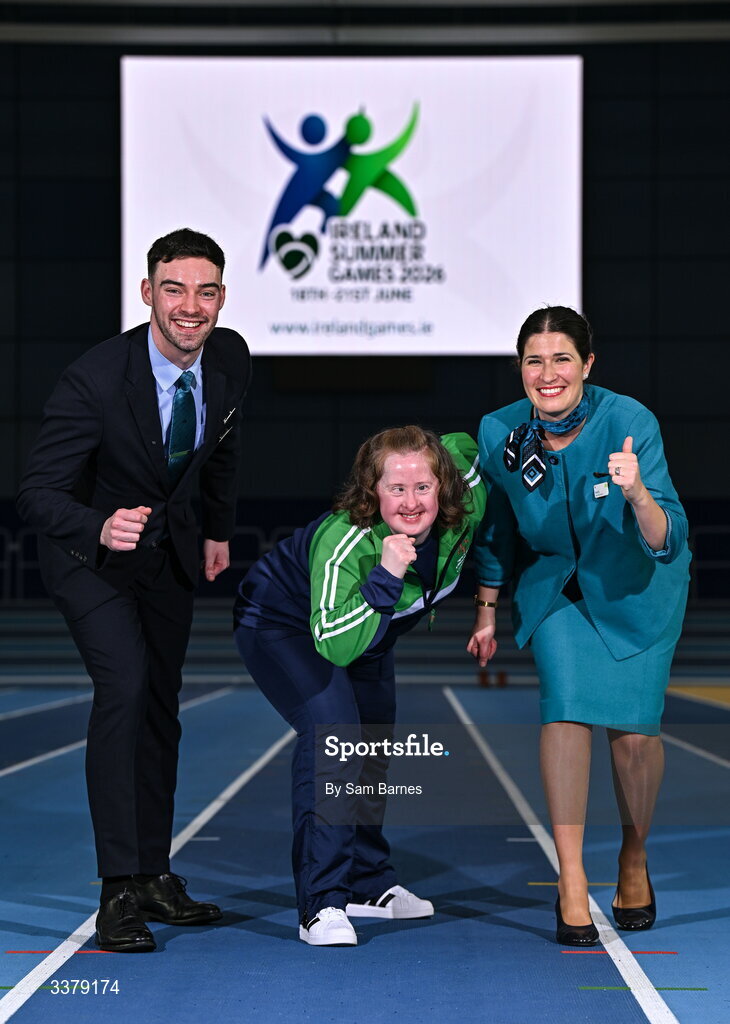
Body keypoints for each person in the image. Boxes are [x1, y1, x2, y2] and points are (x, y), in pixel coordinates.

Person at [17, 228, 251, 952]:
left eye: (205, 290)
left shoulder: (232, 359)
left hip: (169, 559)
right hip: (91, 561)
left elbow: (221, 451)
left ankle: (155, 874)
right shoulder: (94, 380)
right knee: (124, 688)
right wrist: (98, 525)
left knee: (160, 708)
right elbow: (35, 494)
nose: (190, 306)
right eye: (174, 289)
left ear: (221, 297)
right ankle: (118, 890)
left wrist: (216, 529)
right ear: (147, 292)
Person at [468, 306, 690, 946]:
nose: (547, 373)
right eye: (534, 360)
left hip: (638, 590)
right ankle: (571, 879)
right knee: (563, 711)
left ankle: (633, 854)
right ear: (520, 369)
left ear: (587, 365)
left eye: (562, 358)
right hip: (555, 588)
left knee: (635, 738)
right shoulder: (498, 431)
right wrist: (486, 608)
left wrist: (638, 494)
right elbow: (496, 530)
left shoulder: (628, 421)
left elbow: (667, 537)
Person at [234, 427, 484, 946]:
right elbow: (335, 645)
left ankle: (367, 884)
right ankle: (321, 903)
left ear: (445, 487)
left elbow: (472, 442)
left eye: (423, 487)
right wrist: (387, 576)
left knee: (373, 743)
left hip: (371, 629)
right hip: (286, 625)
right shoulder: (344, 539)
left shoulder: (468, 496)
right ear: (372, 492)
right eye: (395, 488)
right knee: (338, 733)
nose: (411, 502)